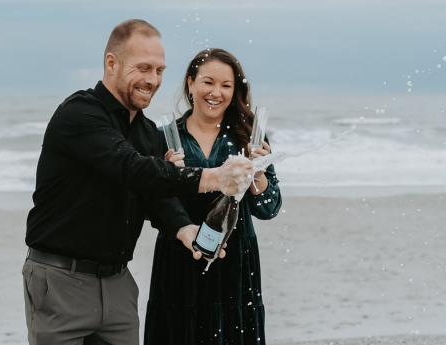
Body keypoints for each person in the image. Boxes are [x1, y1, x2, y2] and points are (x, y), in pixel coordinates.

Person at [23, 20, 253, 345]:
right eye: (143, 68)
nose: (153, 80)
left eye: (159, 70)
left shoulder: (146, 133)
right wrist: (215, 177)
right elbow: (132, 169)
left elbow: (154, 195)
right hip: (61, 280)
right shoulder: (80, 114)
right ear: (112, 63)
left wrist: (183, 229)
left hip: (118, 285)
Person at [144, 48, 282, 345]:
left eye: (226, 86)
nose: (215, 93)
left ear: (236, 91)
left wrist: (257, 172)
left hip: (236, 259)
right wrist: (170, 175)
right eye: (208, 82)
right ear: (191, 83)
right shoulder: (166, 137)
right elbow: (153, 204)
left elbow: (269, 208)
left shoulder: (249, 137)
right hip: (179, 257)